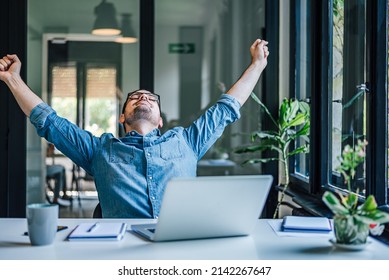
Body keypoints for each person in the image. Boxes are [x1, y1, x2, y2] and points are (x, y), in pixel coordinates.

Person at [0, 39, 269, 218]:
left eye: (151, 98)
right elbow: (50, 122)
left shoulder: (187, 141)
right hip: (120, 252)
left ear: (160, 120)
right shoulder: (99, 149)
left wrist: (257, 65)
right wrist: (13, 80)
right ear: (122, 117)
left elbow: (225, 108)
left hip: (180, 250)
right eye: (135, 97)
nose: (143, 98)